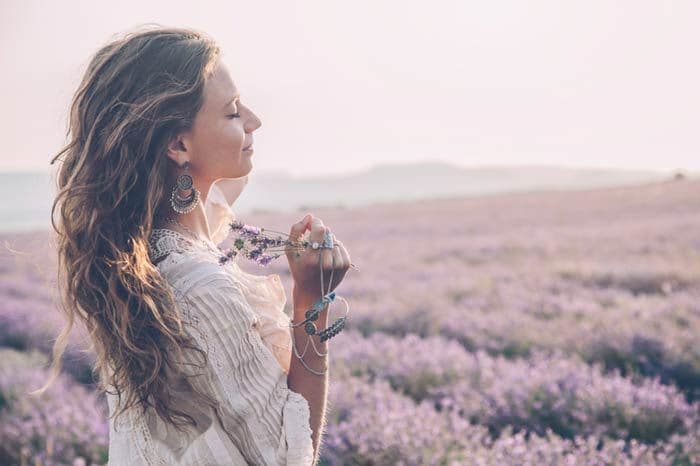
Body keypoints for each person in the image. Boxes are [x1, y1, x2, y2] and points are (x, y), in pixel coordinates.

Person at [40, 25, 352, 465]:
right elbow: (285, 457)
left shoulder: (144, 253)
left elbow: (221, 186)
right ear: (178, 143)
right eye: (232, 113)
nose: (254, 121)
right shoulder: (203, 289)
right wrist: (311, 302)